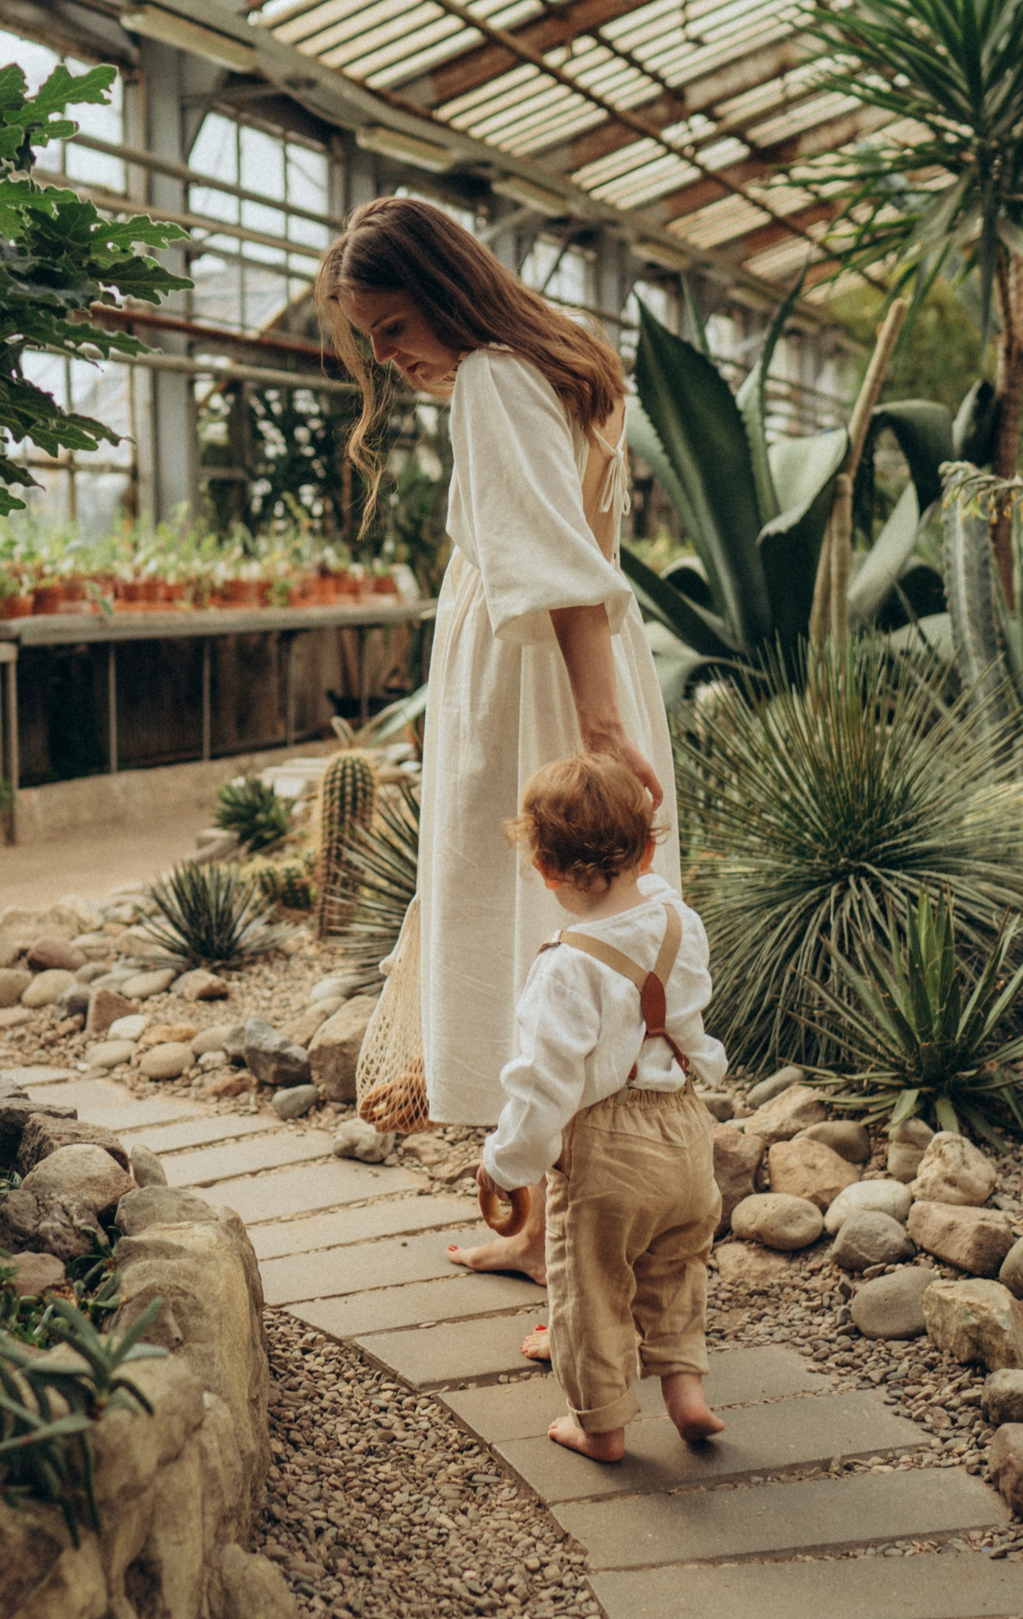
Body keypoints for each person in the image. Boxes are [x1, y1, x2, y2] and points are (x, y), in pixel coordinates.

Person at [316, 199, 680, 1300]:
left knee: (540, 954)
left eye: (390, 328)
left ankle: (582, 1268)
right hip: (566, 678)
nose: (388, 357)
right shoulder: (555, 361)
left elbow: (557, 568)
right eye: (371, 342)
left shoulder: (490, 377)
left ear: (442, 285)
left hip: (537, 694)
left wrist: (599, 729)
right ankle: (542, 1238)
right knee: (558, 952)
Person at [478, 754, 726, 1461]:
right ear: (648, 848)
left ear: (547, 869)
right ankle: (687, 1393)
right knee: (677, 1264)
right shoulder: (680, 919)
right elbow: (693, 1013)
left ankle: (603, 1424)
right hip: (684, 1127)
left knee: (590, 1287)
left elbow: (543, 1082)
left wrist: (506, 1162)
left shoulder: (564, 964)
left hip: (609, 1146)